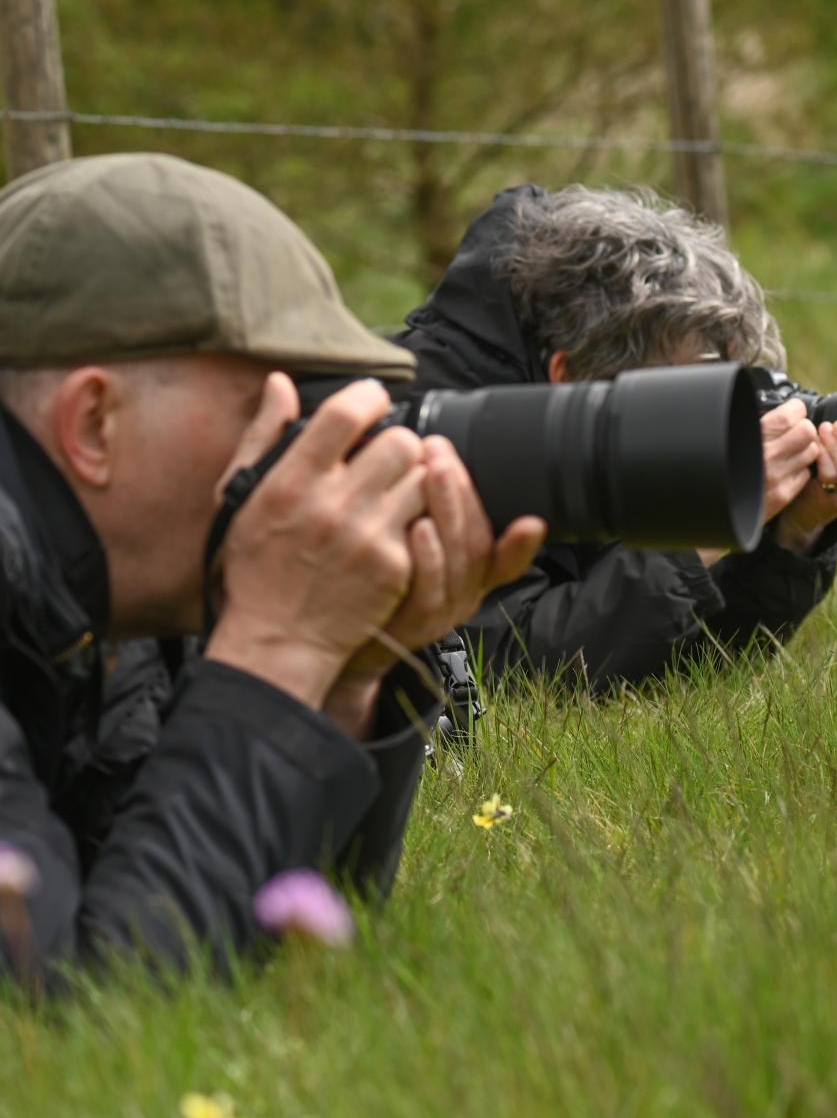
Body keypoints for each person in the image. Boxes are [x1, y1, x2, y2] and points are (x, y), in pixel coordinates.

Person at [0, 153, 545, 987]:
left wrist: (345, 682)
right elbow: (70, 1016)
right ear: (95, 423)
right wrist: (277, 648)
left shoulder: (117, 610)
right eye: (273, 412)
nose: (306, 460)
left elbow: (251, 947)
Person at [395, 184, 837, 690]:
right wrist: (701, 526)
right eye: (687, 394)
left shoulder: (606, 421)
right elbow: (513, 666)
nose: (703, 417)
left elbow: (684, 662)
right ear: (570, 374)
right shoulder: (430, 433)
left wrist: (792, 533)